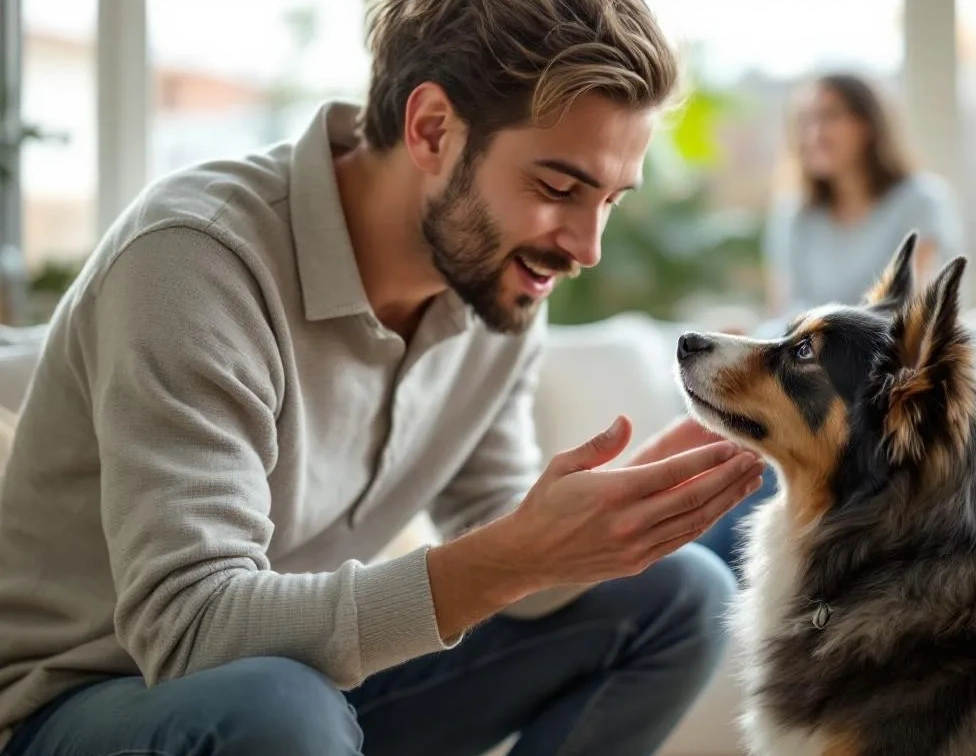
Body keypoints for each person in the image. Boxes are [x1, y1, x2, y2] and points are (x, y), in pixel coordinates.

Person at [0, 2, 768, 755]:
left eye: (608, 200)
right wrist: (516, 557)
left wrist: (594, 533)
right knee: (279, 709)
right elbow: (190, 628)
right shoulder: (197, 260)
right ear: (432, 128)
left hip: (309, 685)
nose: (586, 247)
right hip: (88, 703)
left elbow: (495, 523)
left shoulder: (494, 286)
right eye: (559, 189)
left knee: (681, 598)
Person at [696, 72, 964, 578]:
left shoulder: (920, 201)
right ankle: (694, 571)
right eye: (804, 121)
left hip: (861, 381)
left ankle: (695, 572)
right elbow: (788, 314)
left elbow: (907, 319)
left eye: (829, 116)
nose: (813, 132)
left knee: (798, 441)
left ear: (867, 125)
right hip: (799, 368)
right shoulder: (794, 214)